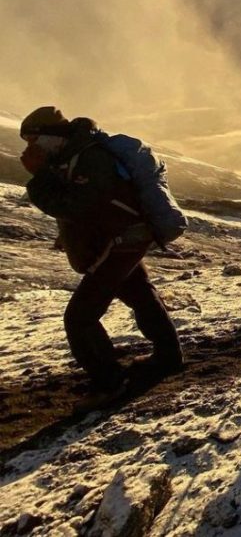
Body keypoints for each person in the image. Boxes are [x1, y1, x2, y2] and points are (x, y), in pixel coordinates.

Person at [19, 107, 183, 405]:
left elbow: (80, 206)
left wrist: (39, 177)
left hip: (120, 242)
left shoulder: (90, 159)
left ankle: (109, 383)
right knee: (139, 294)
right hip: (126, 239)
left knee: (79, 318)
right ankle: (169, 357)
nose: (30, 147)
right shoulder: (76, 156)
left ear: (53, 136)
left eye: (34, 139)